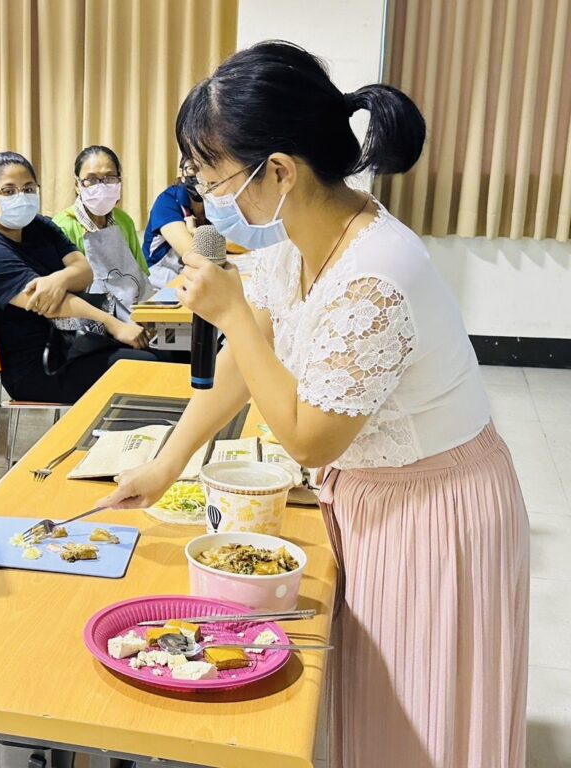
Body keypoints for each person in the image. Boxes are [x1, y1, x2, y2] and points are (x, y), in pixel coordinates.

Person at [100, 41, 528, 768]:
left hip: (433, 513)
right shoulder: (298, 240)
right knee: (371, 712)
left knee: (420, 724)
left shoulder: (374, 275)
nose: (204, 193)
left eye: (210, 173)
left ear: (279, 172)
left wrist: (229, 310)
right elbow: (243, 368)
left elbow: (309, 439)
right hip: (375, 500)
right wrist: (165, 464)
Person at [0, 151, 162, 404]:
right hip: (40, 368)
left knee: (167, 355)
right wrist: (114, 325)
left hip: (74, 343)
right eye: (9, 191)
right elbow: (52, 305)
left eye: (28, 188)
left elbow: (84, 271)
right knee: (150, 368)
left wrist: (58, 280)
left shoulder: (37, 226)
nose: (21, 197)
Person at [52, 145, 151, 321]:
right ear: (77, 185)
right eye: (91, 179)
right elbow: (61, 296)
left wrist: (148, 319)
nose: (101, 186)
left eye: (109, 178)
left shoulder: (123, 221)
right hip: (88, 324)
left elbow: (140, 276)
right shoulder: (62, 227)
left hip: (134, 315)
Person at [140, 156, 210, 289]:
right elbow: (193, 254)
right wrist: (197, 233)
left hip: (194, 278)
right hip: (158, 282)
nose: (199, 175)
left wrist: (195, 232)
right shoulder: (167, 202)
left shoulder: (215, 200)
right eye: (193, 169)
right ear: (182, 174)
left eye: (205, 167)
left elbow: (237, 240)